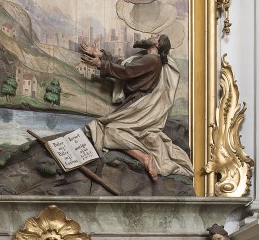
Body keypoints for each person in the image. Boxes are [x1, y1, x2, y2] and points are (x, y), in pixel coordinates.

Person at [79, 33, 193, 182]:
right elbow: (127, 66)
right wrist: (102, 54)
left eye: (155, 36)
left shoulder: (152, 59)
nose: (152, 35)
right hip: (135, 104)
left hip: (138, 106)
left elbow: (126, 72)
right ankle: (145, 157)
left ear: (158, 44)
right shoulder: (150, 60)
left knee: (109, 130)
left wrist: (101, 64)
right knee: (109, 130)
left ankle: (145, 158)